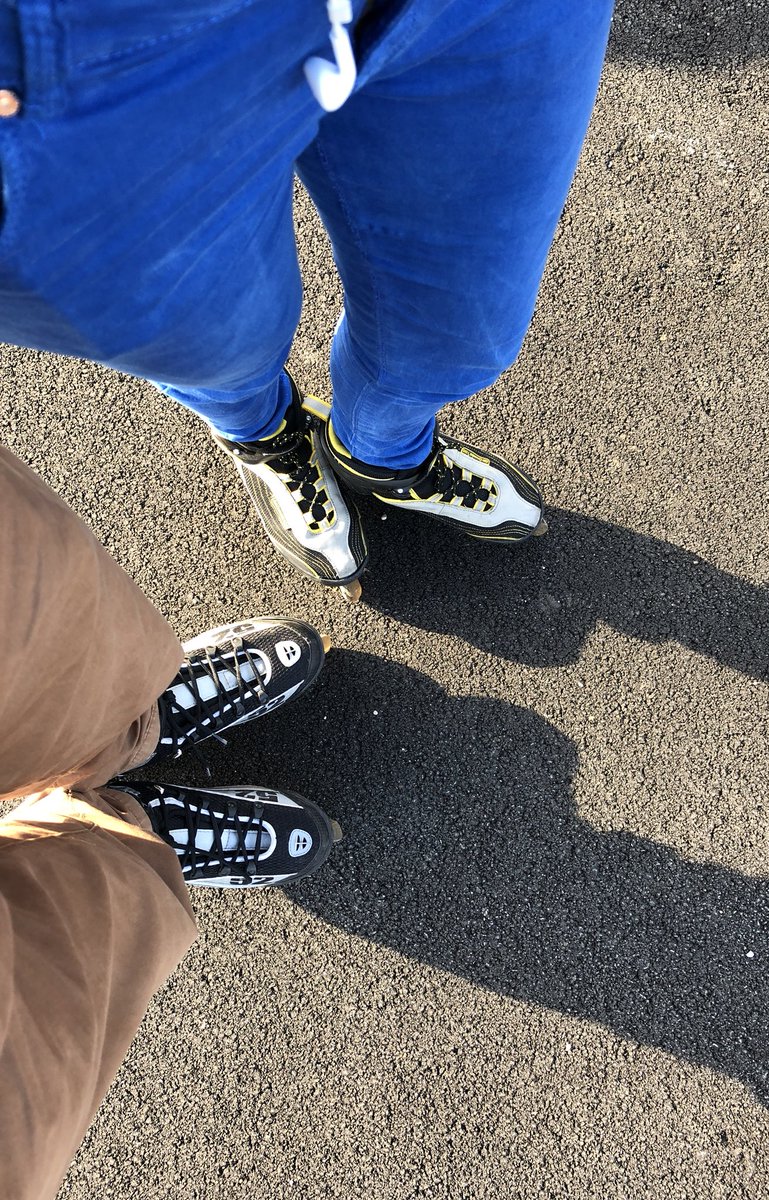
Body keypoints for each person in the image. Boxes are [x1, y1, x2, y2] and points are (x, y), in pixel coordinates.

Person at [0, 0, 614, 1195]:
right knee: (220, 341)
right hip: (62, 74)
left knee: (464, 319)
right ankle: (115, 810)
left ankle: (379, 456)